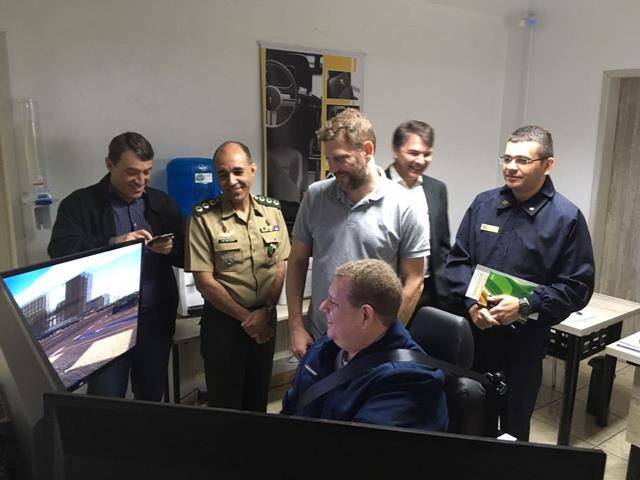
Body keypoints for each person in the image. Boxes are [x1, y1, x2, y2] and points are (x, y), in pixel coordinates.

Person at [446, 125, 595, 440]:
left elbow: (576, 286)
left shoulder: (566, 218)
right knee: (468, 418)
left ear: (548, 165)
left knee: (513, 431)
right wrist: (471, 304)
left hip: (523, 346)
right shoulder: (484, 204)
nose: (511, 167)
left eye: (523, 160)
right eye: (507, 158)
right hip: (475, 336)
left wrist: (526, 305)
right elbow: (457, 262)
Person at [48, 131, 185, 400]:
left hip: (155, 316)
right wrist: (113, 243)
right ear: (109, 164)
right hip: (103, 321)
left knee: (151, 394)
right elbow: (60, 249)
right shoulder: (79, 204)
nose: (141, 181)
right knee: (106, 397)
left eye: (146, 172)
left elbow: (187, 249)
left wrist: (172, 248)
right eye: (132, 172)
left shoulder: (162, 202)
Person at [287, 108, 429, 359]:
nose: (333, 168)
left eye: (340, 159)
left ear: (367, 150)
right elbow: (297, 261)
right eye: (329, 159)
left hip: (372, 349)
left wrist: (383, 340)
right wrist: (296, 326)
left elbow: (415, 281)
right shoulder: (316, 196)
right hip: (320, 340)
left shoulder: (405, 205)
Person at [281, 259, 448, 431]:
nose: (323, 307)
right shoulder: (325, 347)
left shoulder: (409, 383)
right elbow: (291, 408)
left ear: (365, 316)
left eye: (333, 302)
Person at [185, 141, 290, 412]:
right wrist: (249, 319)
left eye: (238, 171)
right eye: (223, 174)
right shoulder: (202, 218)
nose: (232, 181)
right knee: (226, 406)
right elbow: (204, 282)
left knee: (258, 399)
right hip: (225, 325)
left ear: (252, 170)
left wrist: (266, 311)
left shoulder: (272, 211)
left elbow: (280, 264)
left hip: (265, 319)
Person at [386, 120, 451, 311]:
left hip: (431, 293)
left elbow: (443, 245)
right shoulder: (377, 187)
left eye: (427, 154)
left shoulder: (437, 189)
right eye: (413, 153)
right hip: (388, 293)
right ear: (395, 150)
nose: (421, 161)